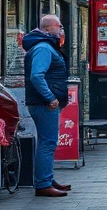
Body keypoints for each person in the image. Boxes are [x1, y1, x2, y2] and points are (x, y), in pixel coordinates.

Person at [22, 14, 73, 197]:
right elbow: (37, 75)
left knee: (47, 141)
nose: (61, 29)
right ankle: (43, 183)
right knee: (48, 142)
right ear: (47, 29)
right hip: (44, 104)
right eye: (58, 26)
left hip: (43, 102)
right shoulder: (43, 47)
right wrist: (50, 97)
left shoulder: (45, 46)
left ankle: (47, 178)